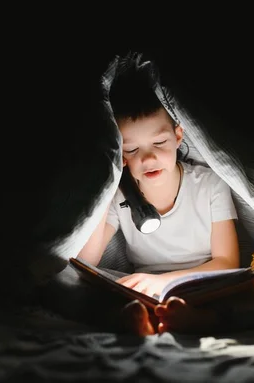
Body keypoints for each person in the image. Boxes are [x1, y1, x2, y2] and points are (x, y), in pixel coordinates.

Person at [63, 53, 242, 335]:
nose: (148, 159)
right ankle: (140, 319)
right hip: (142, 290)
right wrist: (108, 184)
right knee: (66, 283)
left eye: (159, 142)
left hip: (205, 283)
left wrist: (163, 282)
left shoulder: (208, 184)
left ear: (178, 136)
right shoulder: (123, 196)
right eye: (132, 150)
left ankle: (193, 319)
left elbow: (228, 262)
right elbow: (87, 260)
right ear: (120, 153)